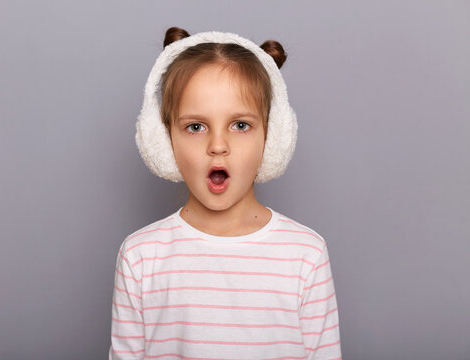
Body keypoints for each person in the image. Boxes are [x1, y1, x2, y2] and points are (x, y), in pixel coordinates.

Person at [109, 26, 342, 359]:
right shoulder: (140, 257)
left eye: (241, 125)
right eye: (195, 126)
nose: (218, 146)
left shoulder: (306, 255)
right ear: (163, 141)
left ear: (272, 139)